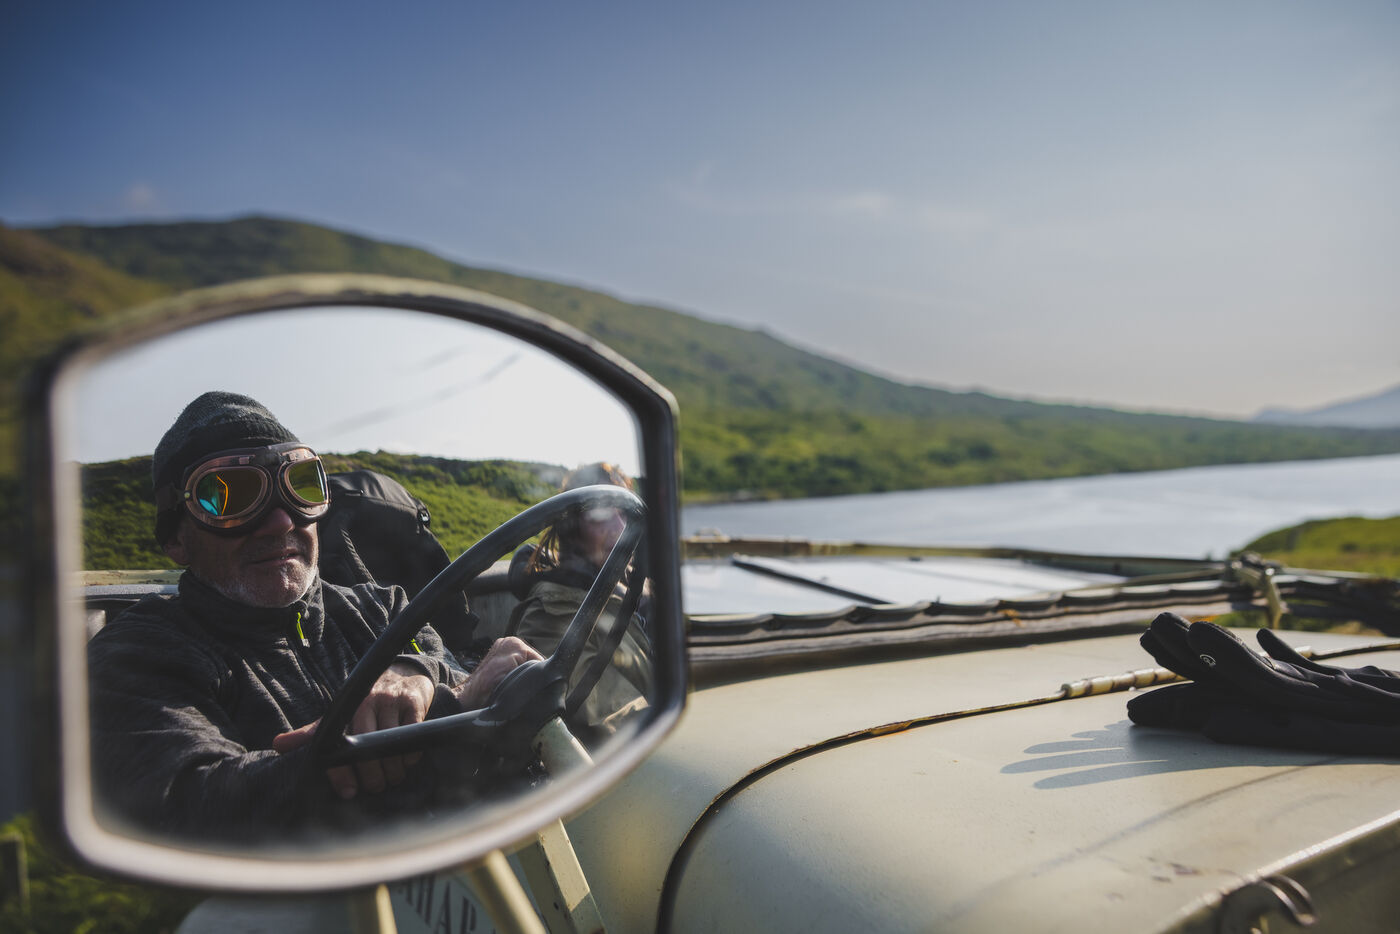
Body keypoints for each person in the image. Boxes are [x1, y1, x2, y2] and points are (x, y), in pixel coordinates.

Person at [87, 391, 540, 841]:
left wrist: (415, 671)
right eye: (230, 497)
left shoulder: (383, 608)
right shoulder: (136, 655)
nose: (282, 522)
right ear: (176, 539)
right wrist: (448, 705)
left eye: (300, 485)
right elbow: (195, 806)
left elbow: (454, 668)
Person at [506, 462, 653, 744]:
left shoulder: (629, 585)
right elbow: (616, 722)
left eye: (624, 513)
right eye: (602, 514)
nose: (621, 528)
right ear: (571, 528)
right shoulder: (553, 615)